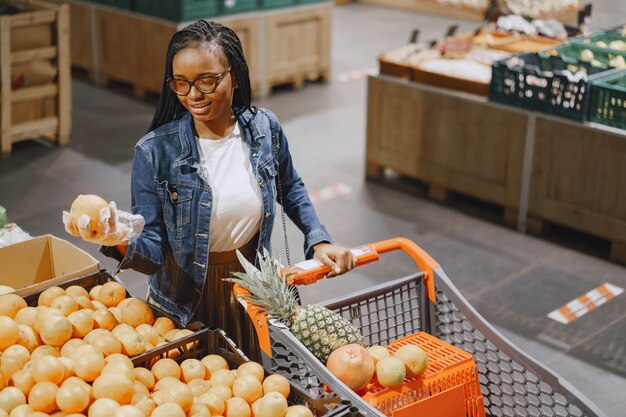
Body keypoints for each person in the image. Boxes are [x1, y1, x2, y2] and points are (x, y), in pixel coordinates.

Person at [63, 19, 356, 360]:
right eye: (181, 84)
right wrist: (116, 238)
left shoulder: (265, 129)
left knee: (257, 391)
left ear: (235, 76)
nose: (192, 96)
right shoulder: (154, 152)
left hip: (254, 291)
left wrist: (318, 239)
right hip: (185, 303)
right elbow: (154, 250)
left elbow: (290, 186)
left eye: (206, 81)